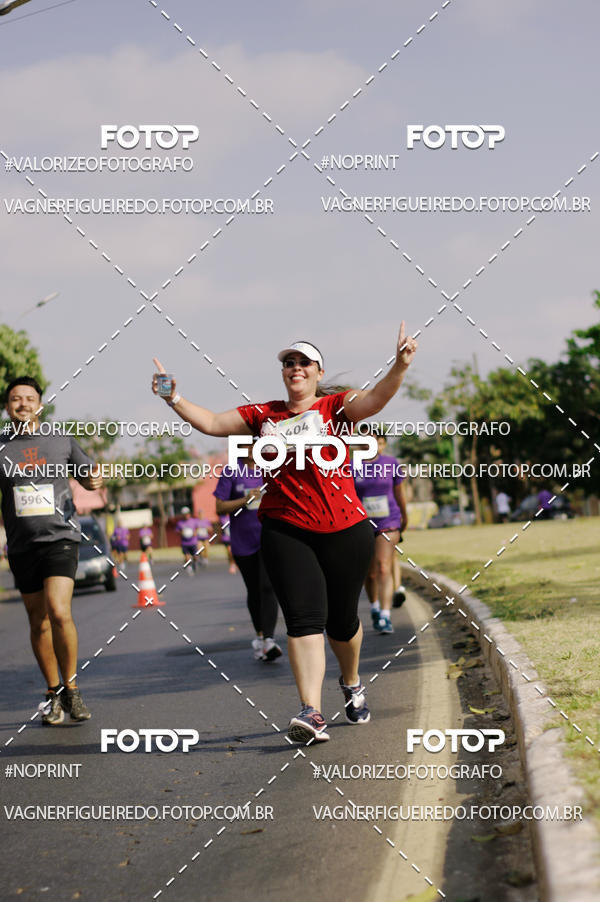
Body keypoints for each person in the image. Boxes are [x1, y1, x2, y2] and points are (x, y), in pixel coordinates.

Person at [151, 323, 418, 743]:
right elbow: (212, 423)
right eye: (289, 363)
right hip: (286, 527)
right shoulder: (263, 415)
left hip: (346, 528)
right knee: (303, 619)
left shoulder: (336, 408)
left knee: (342, 622)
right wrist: (174, 398)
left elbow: (376, 400)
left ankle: (351, 682)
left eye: (303, 362)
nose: (295, 368)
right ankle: (311, 712)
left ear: (316, 371)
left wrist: (400, 365)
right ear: (284, 373)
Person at [0, 377, 103, 724]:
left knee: (59, 612)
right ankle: (53, 691)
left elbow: (88, 473)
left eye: (29, 398)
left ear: (40, 404)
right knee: (38, 621)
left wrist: (94, 480)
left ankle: (72, 689)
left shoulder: (60, 440)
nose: (23, 404)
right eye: (16, 399)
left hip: (61, 538)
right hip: (21, 545)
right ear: (7, 406)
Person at [214, 451, 282, 662]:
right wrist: (246, 499)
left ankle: (269, 640)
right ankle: (260, 637)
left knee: (267, 586)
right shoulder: (232, 471)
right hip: (243, 541)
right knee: (254, 590)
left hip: (269, 536)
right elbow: (220, 506)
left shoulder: (271, 469)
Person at [353, 434, 408, 634]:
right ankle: (375, 606)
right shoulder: (351, 466)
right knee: (371, 573)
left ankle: (385, 615)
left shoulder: (391, 463)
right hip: (363, 525)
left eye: (375, 441)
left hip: (389, 521)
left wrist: (404, 516)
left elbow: (399, 492)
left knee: (384, 567)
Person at [175, 506, 211, 573]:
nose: (186, 515)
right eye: (185, 514)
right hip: (185, 543)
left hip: (193, 542)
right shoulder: (180, 523)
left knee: (195, 557)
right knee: (187, 557)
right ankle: (188, 566)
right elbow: (177, 531)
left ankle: (195, 563)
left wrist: (195, 532)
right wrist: (181, 532)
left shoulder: (193, 521)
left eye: (187, 514)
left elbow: (198, 527)